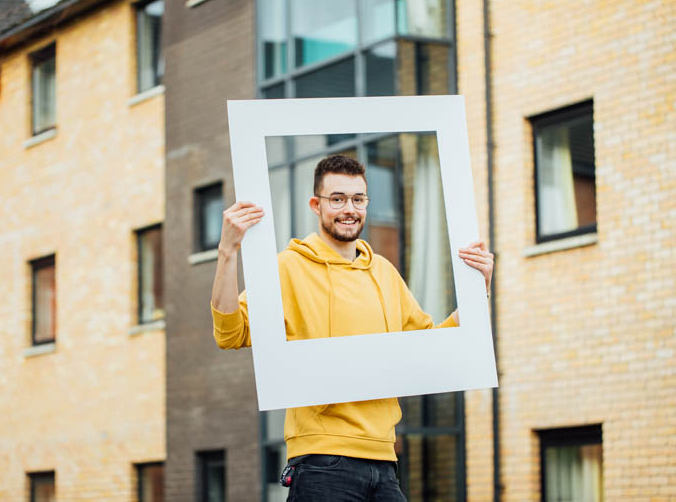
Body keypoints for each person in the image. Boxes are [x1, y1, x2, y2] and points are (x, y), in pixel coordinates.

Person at [210, 154, 493, 502]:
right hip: (322, 461)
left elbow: (434, 346)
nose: (350, 209)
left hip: (385, 461)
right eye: (338, 199)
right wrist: (228, 250)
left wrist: (478, 289)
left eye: (358, 199)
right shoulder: (287, 268)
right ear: (316, 204)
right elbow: (230, 333)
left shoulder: (385, 272)